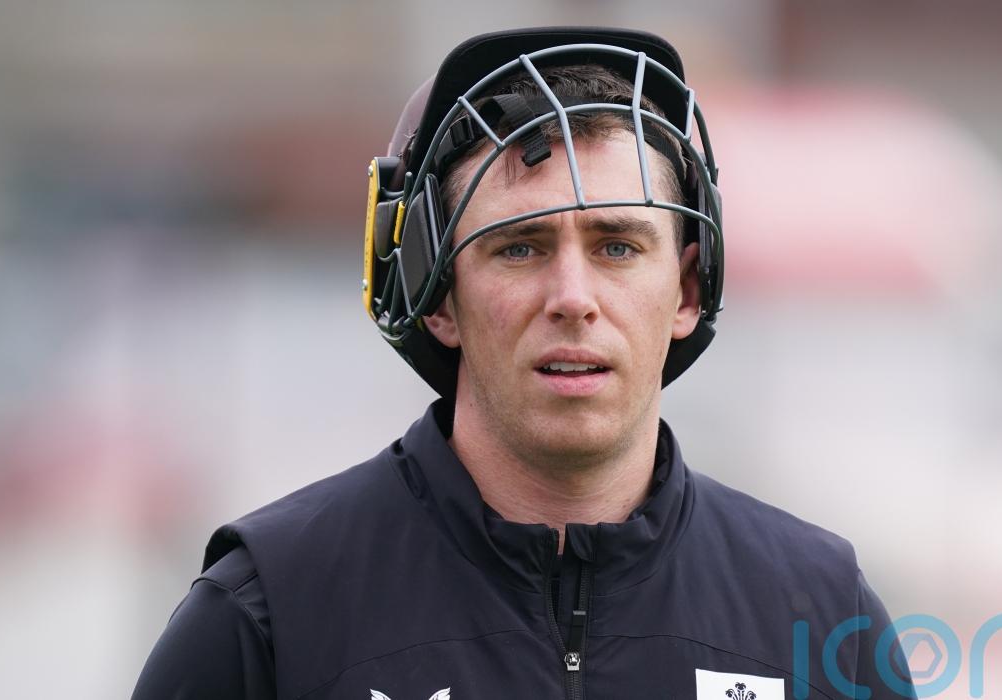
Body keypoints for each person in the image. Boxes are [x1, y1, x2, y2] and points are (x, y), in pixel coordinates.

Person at [133, 27, 917, 700]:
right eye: (519, 248)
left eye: (617, 246)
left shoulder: (821, 613)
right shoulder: (271, 611)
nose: (573, 298)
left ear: (685, 289)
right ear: (438, 298)